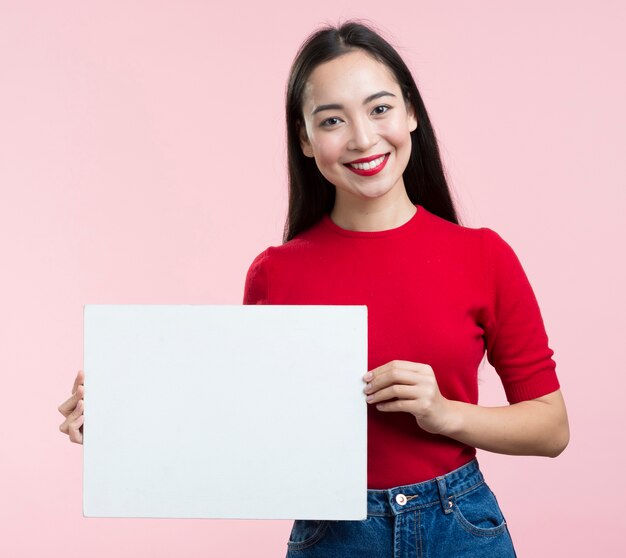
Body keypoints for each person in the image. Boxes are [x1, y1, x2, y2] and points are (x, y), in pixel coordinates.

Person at [59, 20, 569, 557]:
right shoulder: (277, 273)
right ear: (304, 140)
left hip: (459, 526)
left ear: (411, 113)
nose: (363, 138)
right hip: (333, 536)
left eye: (379, 108)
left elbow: (550, 428)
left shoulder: (483, 255)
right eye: (332, 120)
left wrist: (446, 413)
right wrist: (120, 425)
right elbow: (240, 431)